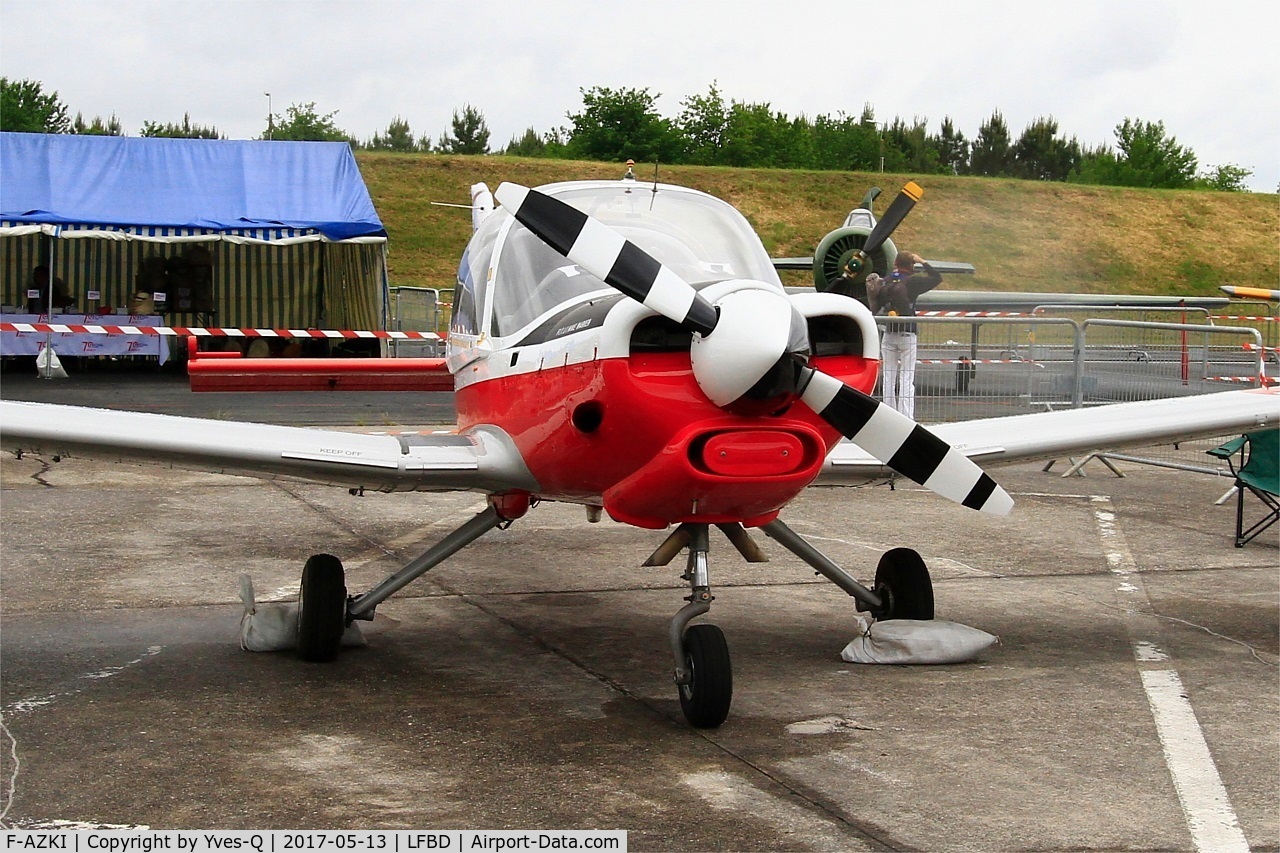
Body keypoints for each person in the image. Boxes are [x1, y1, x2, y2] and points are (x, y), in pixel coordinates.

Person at [872, 250, 942, 419]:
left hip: (888, 332)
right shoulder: (913, 282)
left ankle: (888, 415)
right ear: (911, 265)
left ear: (895, 263)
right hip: (907, 332)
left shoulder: (884, 282)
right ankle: (906, 417)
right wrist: (923, 261)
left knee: (888, 375)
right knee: (906, 376)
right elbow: (937, 278)